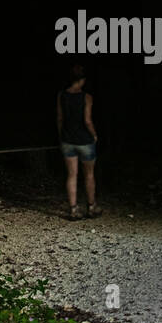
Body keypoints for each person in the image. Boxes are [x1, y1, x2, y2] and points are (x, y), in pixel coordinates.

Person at [57, 63, 101, 220]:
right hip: (84, 140)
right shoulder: (86, 97)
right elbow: (87, 120)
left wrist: (62, 135)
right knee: (89, 175)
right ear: (82, 80)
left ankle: (74, 209)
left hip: (68, 140)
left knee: (72, 175)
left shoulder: (62, 95)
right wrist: (94, 135)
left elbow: (60, 118)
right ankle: (91, 206)